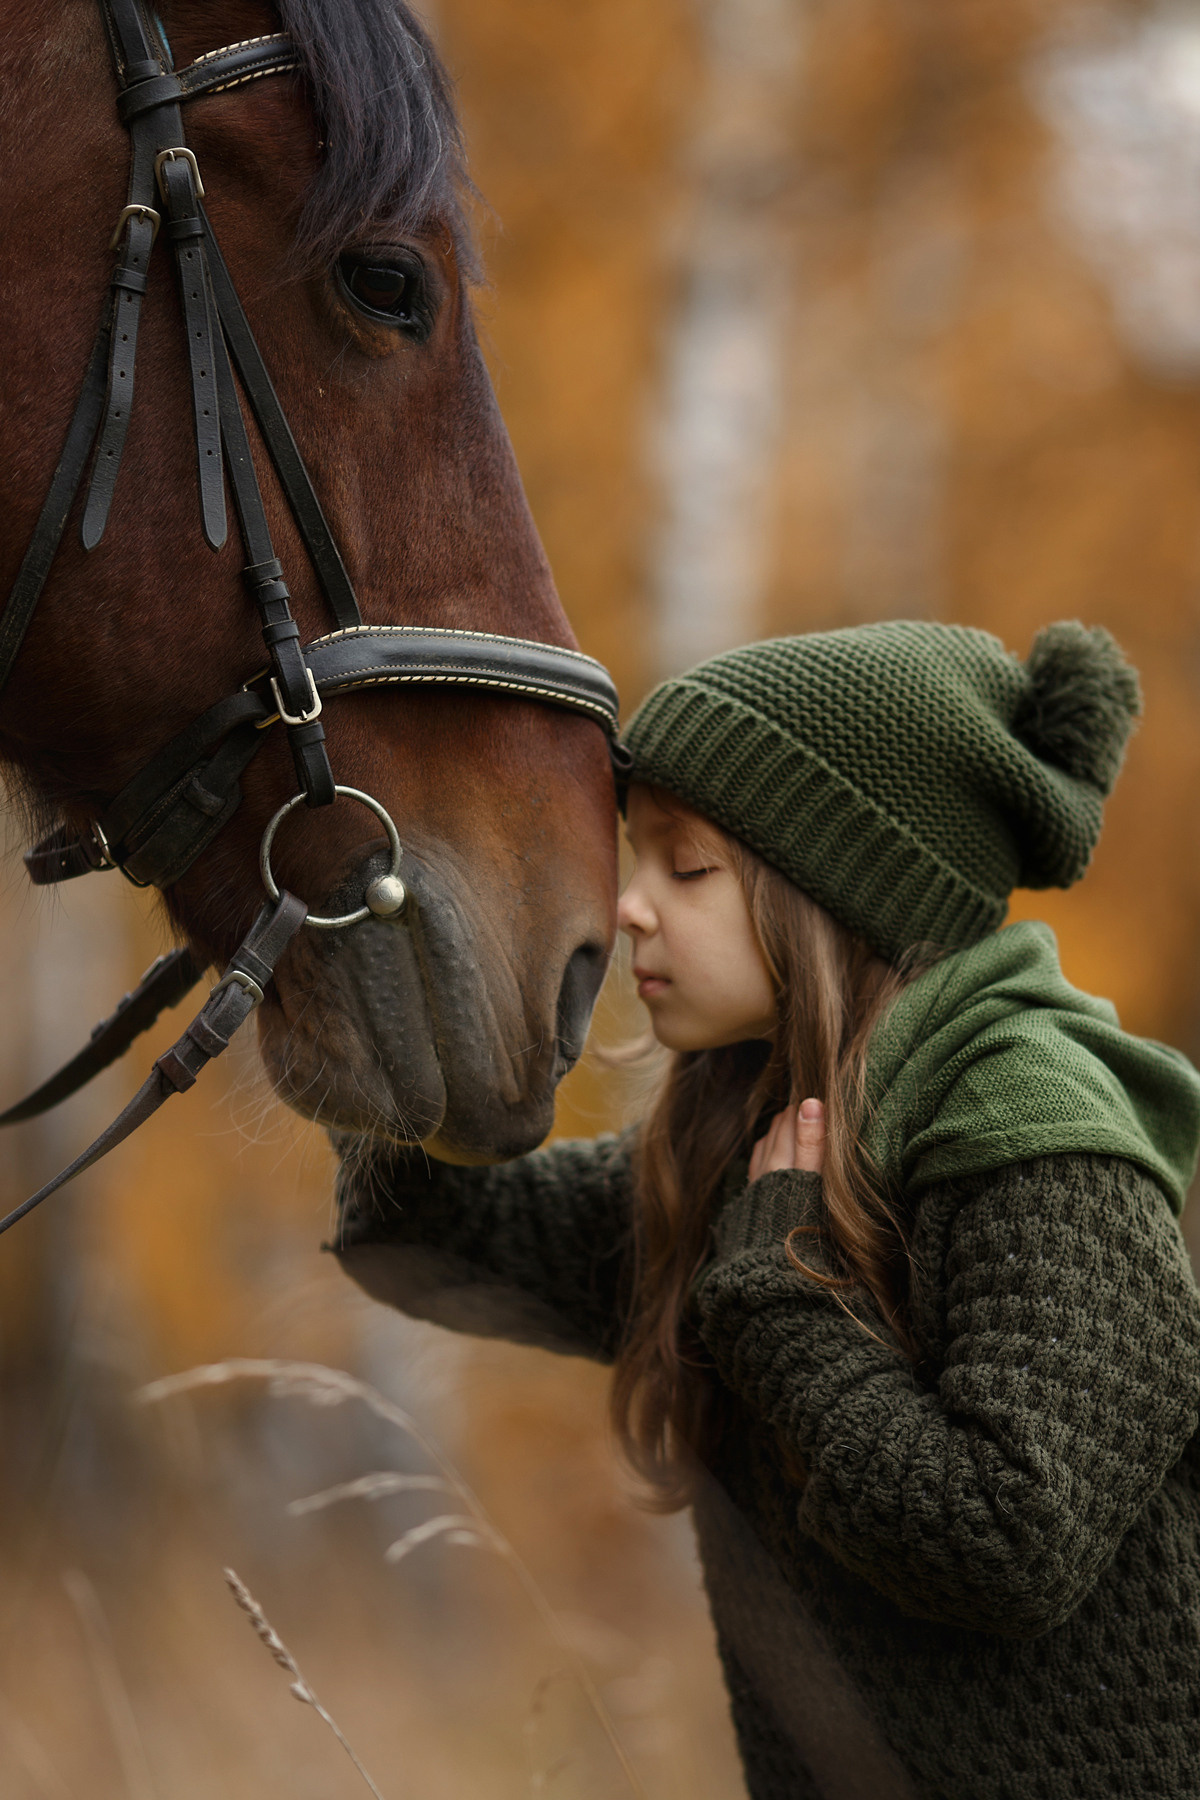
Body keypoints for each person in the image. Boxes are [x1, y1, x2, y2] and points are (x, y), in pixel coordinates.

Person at [333, 620, 1200, 1799]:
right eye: (636, 860)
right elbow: (434, 1235)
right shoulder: (749, 1141)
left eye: (685, 868)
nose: (630, 906)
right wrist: (370, 987)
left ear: (839, 891)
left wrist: (784, 1305)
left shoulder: (1041, 1142)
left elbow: (1011, 1542)